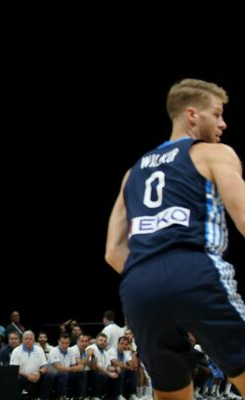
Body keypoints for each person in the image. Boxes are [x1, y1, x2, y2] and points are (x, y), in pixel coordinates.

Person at [105, 78, 245, 400]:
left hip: (140, 285)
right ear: (192, 115)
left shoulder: (133, 172)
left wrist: (160, 284)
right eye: (218, 114)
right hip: (194, 270)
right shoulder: (213, 153)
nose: (223, 123)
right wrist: (182, 283)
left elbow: (113, 252)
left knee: (170, 393)